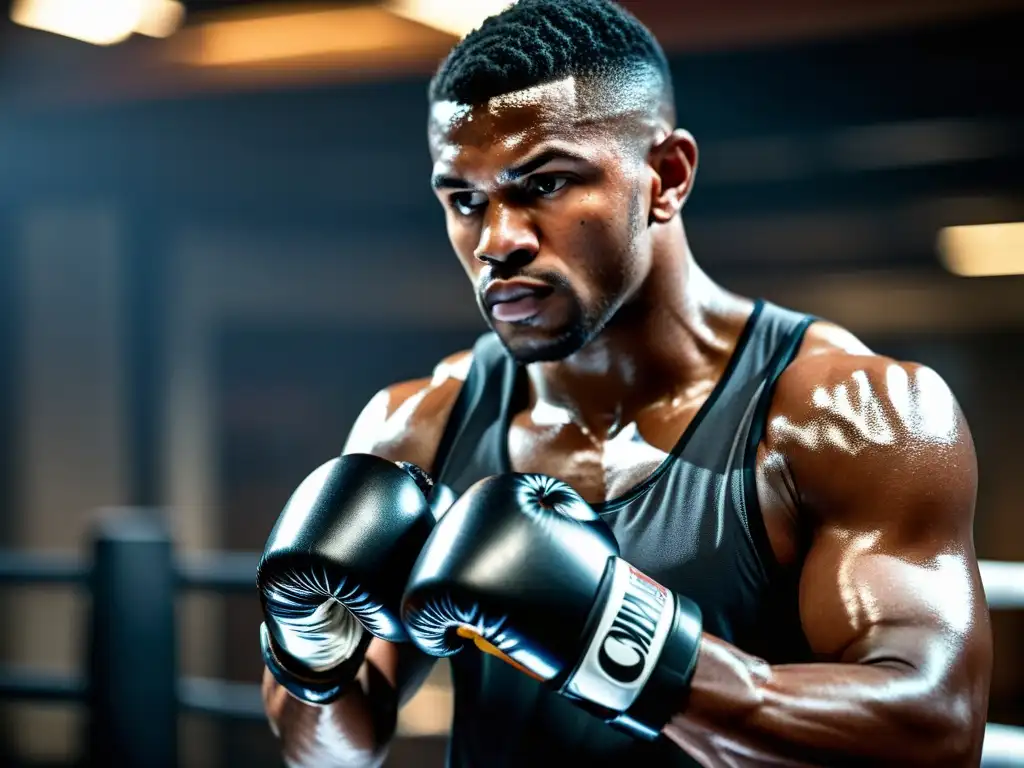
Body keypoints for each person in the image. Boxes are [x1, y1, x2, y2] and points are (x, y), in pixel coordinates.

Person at [257, 0, 993, 765]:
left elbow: (935, 731)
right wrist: (311, 647)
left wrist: (623, 639)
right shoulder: (419, 425)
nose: (497, 240)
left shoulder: (848, 414)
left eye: (543, 183)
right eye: (465, 200)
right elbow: (333, 753)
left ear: (666, 177)